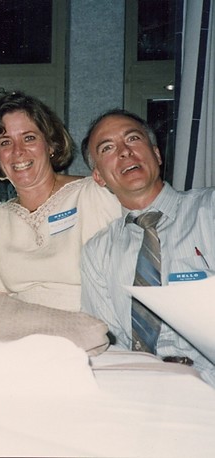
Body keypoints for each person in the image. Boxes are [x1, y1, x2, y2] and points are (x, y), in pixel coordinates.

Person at [80, 108, 215, 386]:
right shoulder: (97, 251)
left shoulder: (209, 211)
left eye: (133, 139)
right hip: (141, 387)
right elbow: (107, 341)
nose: (124, 152)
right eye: (107, 148)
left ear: (156, 154)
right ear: (99, 177)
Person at [0, 90, 121, 311]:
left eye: (29, 138)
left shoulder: (94, 194)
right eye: (5, 142)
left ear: (50, 145)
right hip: (21, 336)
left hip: (89, 330)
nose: (18, 151)